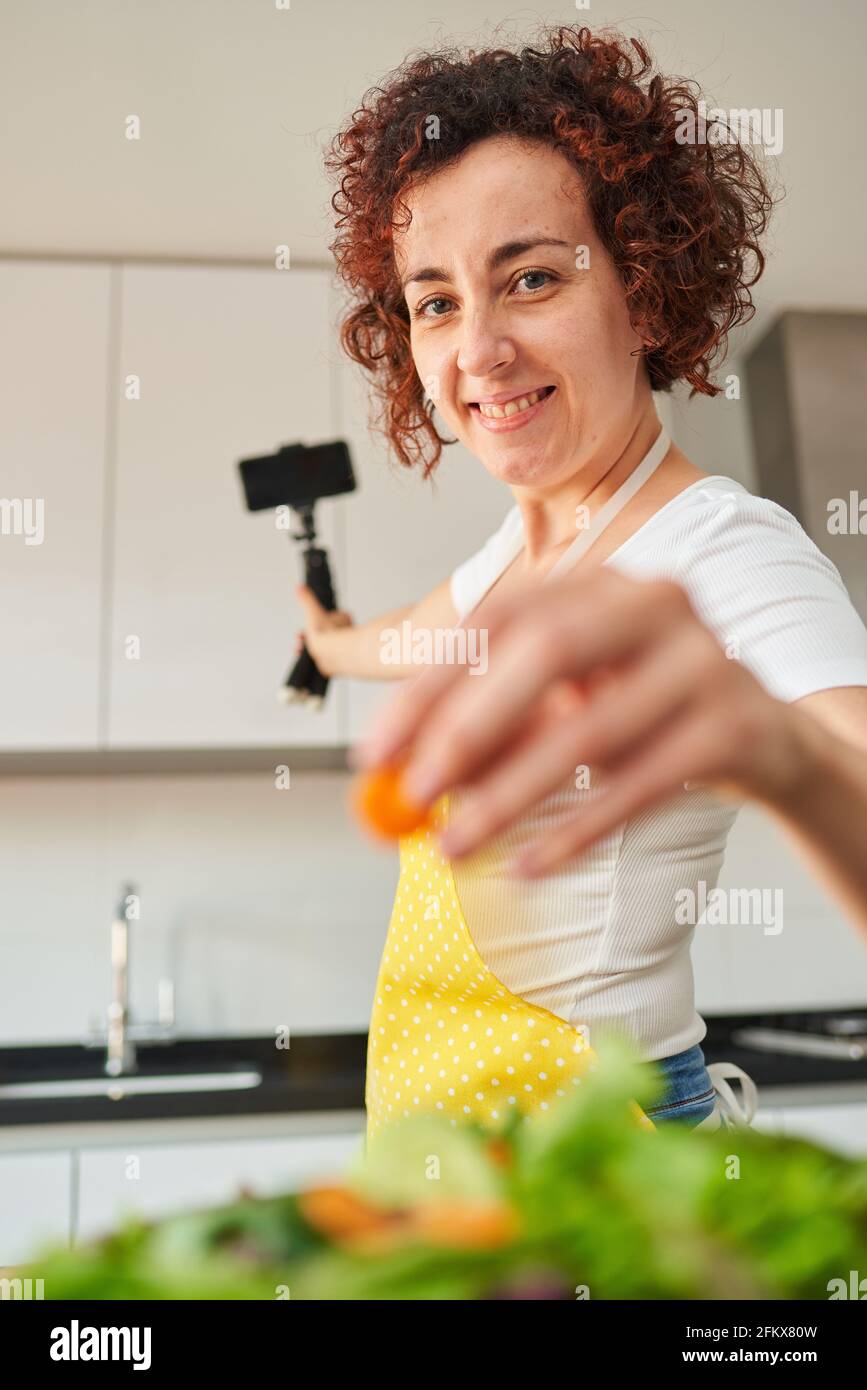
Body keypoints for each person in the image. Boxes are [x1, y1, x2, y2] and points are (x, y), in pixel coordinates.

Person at [300, 26, 867, 1135]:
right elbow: (409, 635)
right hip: (452, 1180)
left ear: (646, 295)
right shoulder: (507, 564)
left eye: (532, 278)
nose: (480, 350)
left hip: (611, 1169)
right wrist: (326, 639)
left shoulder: (725, 548)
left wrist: (780, 752)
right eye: (437, 301)